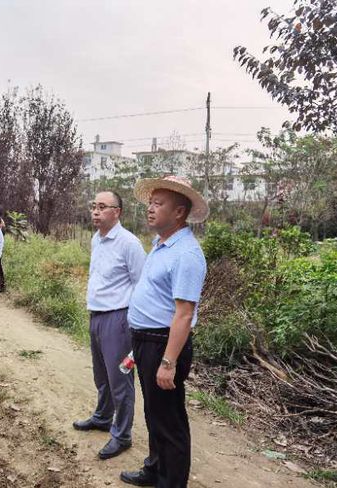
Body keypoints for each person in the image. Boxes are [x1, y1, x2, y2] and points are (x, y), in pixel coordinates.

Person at [119, 176, 208, 488]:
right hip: (147, 340)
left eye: (159, 204)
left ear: (180, 212)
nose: (150, 209)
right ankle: (154, 469)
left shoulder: (186, 253)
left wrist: (168, 362)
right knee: (154, 413)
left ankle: (171, 482)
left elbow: (184, 314)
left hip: (164, 344)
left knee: (169, 421)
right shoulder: (161, 245)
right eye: (150, 203)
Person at [73, 191, 146, 460]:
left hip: (119, 319)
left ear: (117, 212)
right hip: (97, 315)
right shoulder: (96, 239)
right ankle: (103, 417)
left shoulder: (129, 244)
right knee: (101, 375)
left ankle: (122, 435)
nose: (95, 211)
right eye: (93, 206)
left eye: (102, 207)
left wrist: (133, 323)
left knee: (120, 380)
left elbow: (141, 285)